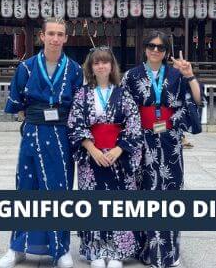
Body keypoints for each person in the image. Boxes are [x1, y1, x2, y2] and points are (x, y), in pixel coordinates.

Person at [0, 17, 83, 268]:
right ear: (42, 37)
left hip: (61, 136)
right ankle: (18, 248)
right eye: (51, 34)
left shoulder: (75, 70)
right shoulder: (26, 68)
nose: (56, 38)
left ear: (66, 38)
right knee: (27, 187)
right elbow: (17, 105)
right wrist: (33, 118)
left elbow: (79, 107)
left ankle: (60, 249)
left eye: (61, 34)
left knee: (60, 189)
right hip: (33, 133)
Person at [120, 30, 203, 268]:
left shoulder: (177, 75)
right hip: (141, 140)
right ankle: (143, 248)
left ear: (167, 52)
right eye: (151, 46)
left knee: (170, 192)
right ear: (144, 48)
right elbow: (123, 109)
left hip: (169, 141)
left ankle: (168, 251)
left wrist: (190, 75)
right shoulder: (131, 76)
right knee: (142, 191)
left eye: (161, 47)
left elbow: (197, 101)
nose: (156, 50)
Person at [68, 47, 142, 268]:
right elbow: (75, 124)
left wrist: (119, 150)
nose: (101, 66)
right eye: (96, 63)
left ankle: (118, 252)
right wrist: (92, 149)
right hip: (92, 157)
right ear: (91, 67)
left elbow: (134, 124)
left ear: (112, 66)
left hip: (118, 156)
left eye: (105, 62)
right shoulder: (82, 94)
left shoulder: (123, 92)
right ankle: (95, 251)